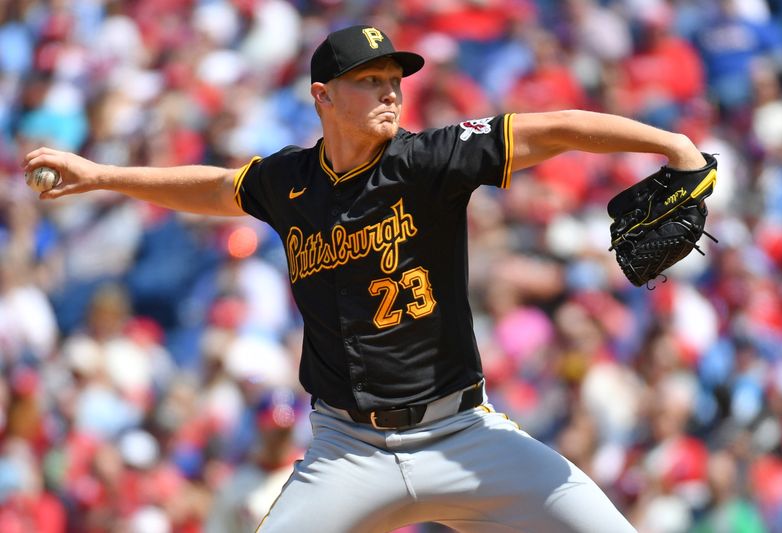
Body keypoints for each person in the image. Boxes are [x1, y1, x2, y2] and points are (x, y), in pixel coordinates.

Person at [25, 24, 709, 532]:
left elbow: (552, 129)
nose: (390, 91)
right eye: (370, 80)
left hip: (466, 434)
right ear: (324, 96)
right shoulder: (288, 181)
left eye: (395, 79)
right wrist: (102, 176)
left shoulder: (429, 159)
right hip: (347, 450)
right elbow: (215, 188)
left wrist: (672, 145)